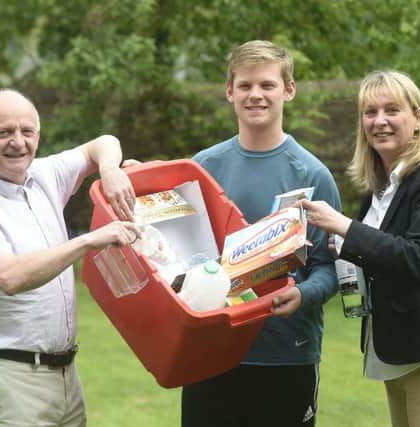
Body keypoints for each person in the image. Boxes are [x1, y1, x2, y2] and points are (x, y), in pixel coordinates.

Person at [298, 70, 420, 426]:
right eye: (370, 112)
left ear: (418, 118)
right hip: (400, 354)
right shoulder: (378, 189)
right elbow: (383, 254)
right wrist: (342, 247)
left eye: (392, 110)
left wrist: (345, 227)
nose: (380, 121)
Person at [0, 89, 141, 426]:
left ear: (38, 135)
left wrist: (110, 170)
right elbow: (10, 277)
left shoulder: (44, 175)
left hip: (66, 377)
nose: (18, 142)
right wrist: (88, 241)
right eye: (3, 132)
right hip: (11, 381)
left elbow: (103, 142)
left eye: (26, 131)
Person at [181, 40, 341, 427]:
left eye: (267, 85)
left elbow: (331, 268)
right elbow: (176, 249)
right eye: (246, 85)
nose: (256, 95)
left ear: (288, 90)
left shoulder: (312, 175)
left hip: (285, 353)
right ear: (229, 92)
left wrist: (302, 293)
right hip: (209, 353)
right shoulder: (202, 167)